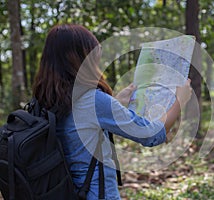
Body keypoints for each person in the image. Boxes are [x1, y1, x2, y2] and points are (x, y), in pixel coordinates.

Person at [32, 24, 192, 199]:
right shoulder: (93, 100)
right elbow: (150, 135)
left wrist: (114, 103)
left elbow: (79, 128)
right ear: (79, 58)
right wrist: (179, 101)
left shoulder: (42, 100)